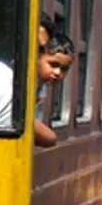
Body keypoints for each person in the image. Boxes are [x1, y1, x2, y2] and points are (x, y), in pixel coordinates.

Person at [34, 20, 75, 148]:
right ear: (38, 57)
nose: (58, 73)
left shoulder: (42, 87)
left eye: (64, 69)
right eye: (53, 64)